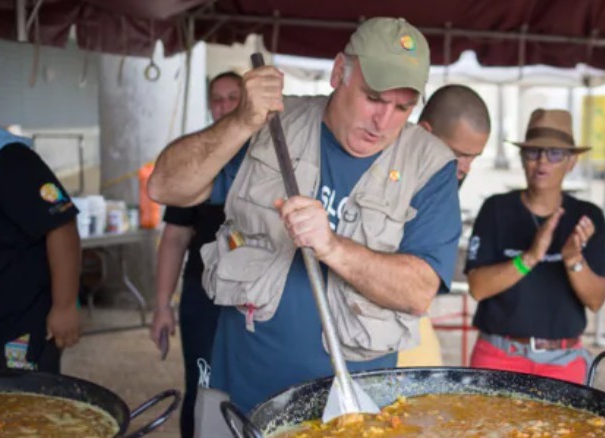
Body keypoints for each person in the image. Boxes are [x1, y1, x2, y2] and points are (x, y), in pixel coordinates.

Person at [148, 17, 462, 413]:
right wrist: (242, 120)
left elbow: (418, 293)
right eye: (373, 98)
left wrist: (331, 245)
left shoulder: (430, 166)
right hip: (244, 395)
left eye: (402, 107)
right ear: (338, 73)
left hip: (351, 411)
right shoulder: (271, 125)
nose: (383, 122)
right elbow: (165, 186)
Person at [465, 108, 605, 384]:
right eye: (533, 152)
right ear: (522, 158)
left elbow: (595, 301)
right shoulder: (496, 209)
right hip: (499, 354)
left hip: (563, 359)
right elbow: (478, 288)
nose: (542, 161)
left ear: (571, 162)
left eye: (555, 153)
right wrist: (530, 257)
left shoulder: (587, 217)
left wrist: (573, 259)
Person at [148, 72, 245, 438]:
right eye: (217, 99)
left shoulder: (271, 155)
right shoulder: (195, 159)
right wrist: (161, 306)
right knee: (203, 386)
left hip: (256, 297)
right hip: (203, 295)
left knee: (253, 389)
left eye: (233, 97)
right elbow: (174, 238)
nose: (223, 107)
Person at [397, 84, 491, 367]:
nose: (467, 167)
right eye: (459, 153)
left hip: (413, 327)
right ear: (425, 133)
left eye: (474, 156)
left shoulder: (444, 182)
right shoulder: (383, 171)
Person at [0, 93, 81, 373]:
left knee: (27, 412)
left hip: (16, 329)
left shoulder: (8, 158)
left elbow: (61, 226)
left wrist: (65, 307)